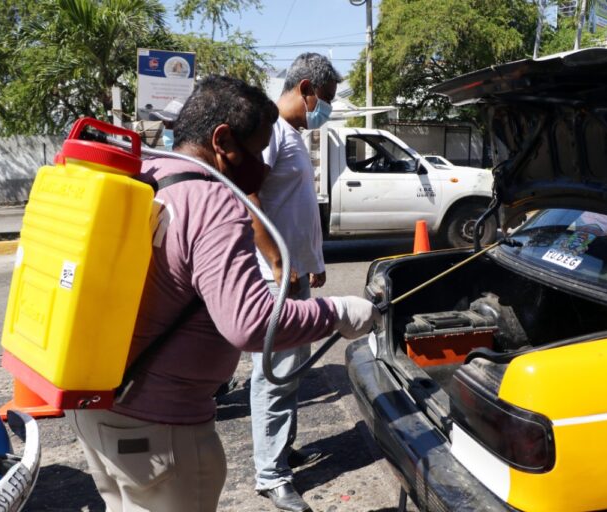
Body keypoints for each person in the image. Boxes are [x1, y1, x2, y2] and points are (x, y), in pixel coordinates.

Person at [66, 75, 380, 512]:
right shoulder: (213, 201)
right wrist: (340, 313)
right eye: (257, 151)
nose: (263, 168)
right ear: (222, 141)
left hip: (98, 407)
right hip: (161, 429)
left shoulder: (149, 177)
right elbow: (250, 325)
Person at [246, 53, 341, 512]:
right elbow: (249, 200)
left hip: (294, 274)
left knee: (291, 371)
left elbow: (296, 206)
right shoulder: (270, 132)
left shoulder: (293, 134)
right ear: (306, 89)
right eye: (326, 99)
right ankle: (271, 475)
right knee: (274, 375)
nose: (327, 109)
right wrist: (277, 264)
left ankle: (281, 449)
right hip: (275, 280)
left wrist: (312, 260)